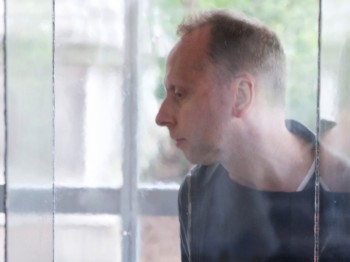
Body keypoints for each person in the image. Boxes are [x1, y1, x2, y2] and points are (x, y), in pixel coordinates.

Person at [155, 9, 350, 261]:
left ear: (241, 95)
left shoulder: (340, 182)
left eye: (179, 93)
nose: (161, 117)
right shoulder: (196, 190)